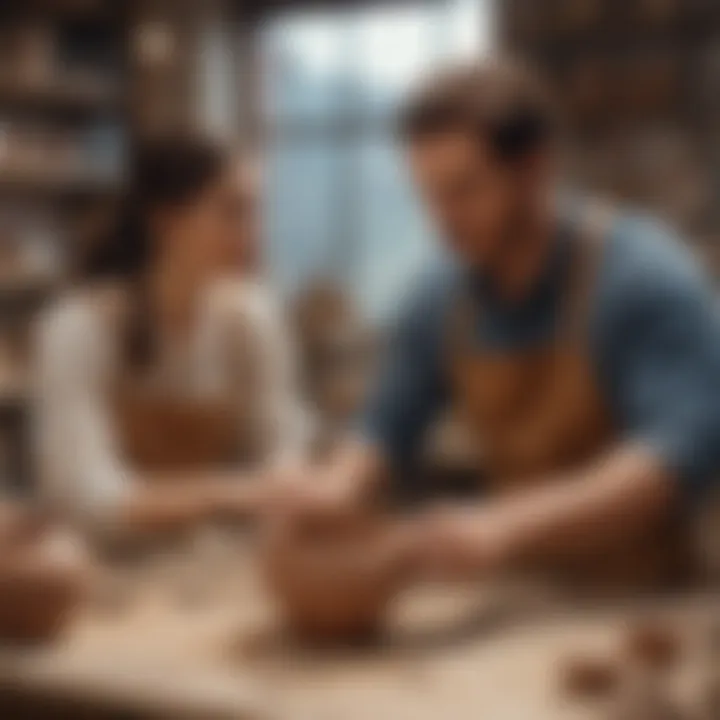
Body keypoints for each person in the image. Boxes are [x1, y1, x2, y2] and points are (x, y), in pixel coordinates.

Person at [269, 59, 720, 589]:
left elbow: (671, 458)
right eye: (429, 195)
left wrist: (505, 525)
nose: (442, 219)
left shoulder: (642, 279)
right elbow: (386, 426)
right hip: (523, 594)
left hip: (644, 597)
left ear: (534, 169)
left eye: (464, 191)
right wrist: (337, 484)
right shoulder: (443, 296)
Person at [35, 136, 308, 536]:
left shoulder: (251, 323)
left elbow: (282, 446)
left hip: (215, 559)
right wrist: (225, 494)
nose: (252, 233)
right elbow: (86, 492)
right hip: (105, 565)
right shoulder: (79, 329)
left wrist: (288, 484)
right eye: (232, 212)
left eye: (254, 212)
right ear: (167, 221)